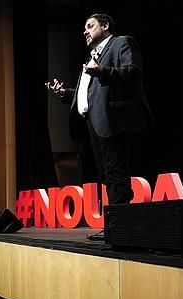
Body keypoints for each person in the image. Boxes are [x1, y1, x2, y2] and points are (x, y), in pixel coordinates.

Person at [46, 13, 152, 205]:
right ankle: (115, 223)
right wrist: (65, 93)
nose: (85, 31)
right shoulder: (93, 57)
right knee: (106, 175)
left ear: (104, 25)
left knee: (115, 174)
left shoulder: (121, 43)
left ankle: (118, 227)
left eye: (90, 26)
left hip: (114, 120)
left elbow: (133, 72)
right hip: (95, 123)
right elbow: (89, 92)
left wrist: (104, 71)